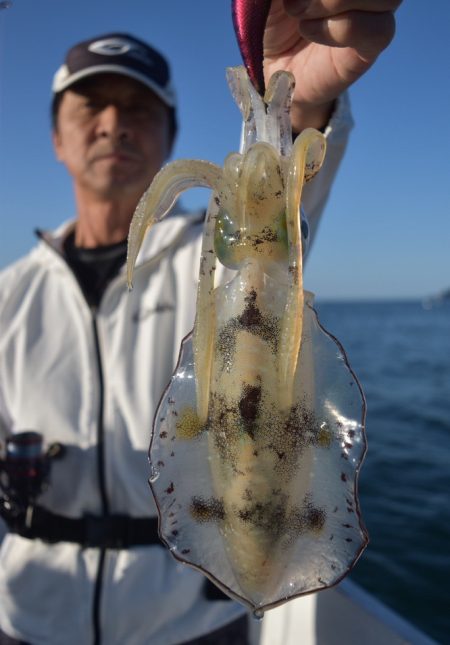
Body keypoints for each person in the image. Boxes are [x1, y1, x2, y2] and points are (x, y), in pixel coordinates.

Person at [0, 2, 401, 644]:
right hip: (31, 619)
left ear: (169, 131)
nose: (113, 124)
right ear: (56, 136)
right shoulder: (7, 300)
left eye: (135, 108)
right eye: (90, 105)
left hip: (192, 625)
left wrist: (292, 101)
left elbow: (281, 228)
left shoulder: (217, 253)